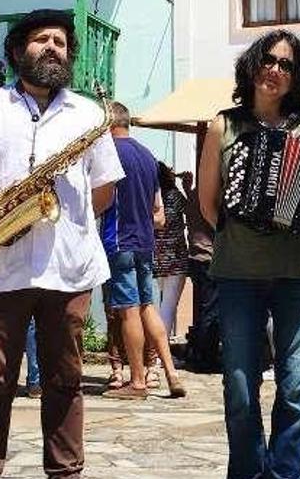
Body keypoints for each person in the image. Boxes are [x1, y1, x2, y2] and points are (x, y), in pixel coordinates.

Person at [0, 8, 124, 479]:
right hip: (3, 265)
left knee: (66, 378)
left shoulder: (89, 115)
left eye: (61, 42)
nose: (52, 48)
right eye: (42, 40)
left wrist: (71, 223)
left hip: (70, 266)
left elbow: (104, 188)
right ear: (18, 51)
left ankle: (65, 470)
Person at [197, 29, 300, 479]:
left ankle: (284, 474)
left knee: (295, 388)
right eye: (268, 60)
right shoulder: (224, 125)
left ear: (296, 76)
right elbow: (208, 203)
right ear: (251, 66)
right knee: (240, 387)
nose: (274, 70)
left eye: (285, 64)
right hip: (238, 270)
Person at [100, 101, 186, 399]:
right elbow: (156, 207)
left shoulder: (110, 153)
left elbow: (101, 199)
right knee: (148, 306)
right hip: (145, 241)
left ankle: (136, 381)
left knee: (128, 311)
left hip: (119, 239)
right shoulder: (148, 156)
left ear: (108, 124)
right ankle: (171, 373)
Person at [180, 170, 220, 372]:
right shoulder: (212, 196)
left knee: (206, 308)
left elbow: (191, 210)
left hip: (195, 256)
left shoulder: (195, 195)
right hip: (209, 257)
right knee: (211, 311)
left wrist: (187, 188)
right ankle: (205, 357)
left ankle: (200, 352)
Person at [154, 162, 190, 339]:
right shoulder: (174, 196)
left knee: (161, 304)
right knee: (168, 305)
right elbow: (192, 210)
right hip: (175, 259)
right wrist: (187, 187)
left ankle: (155, 353)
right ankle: (160, 353)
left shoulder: (152, 196)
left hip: (156, 258)